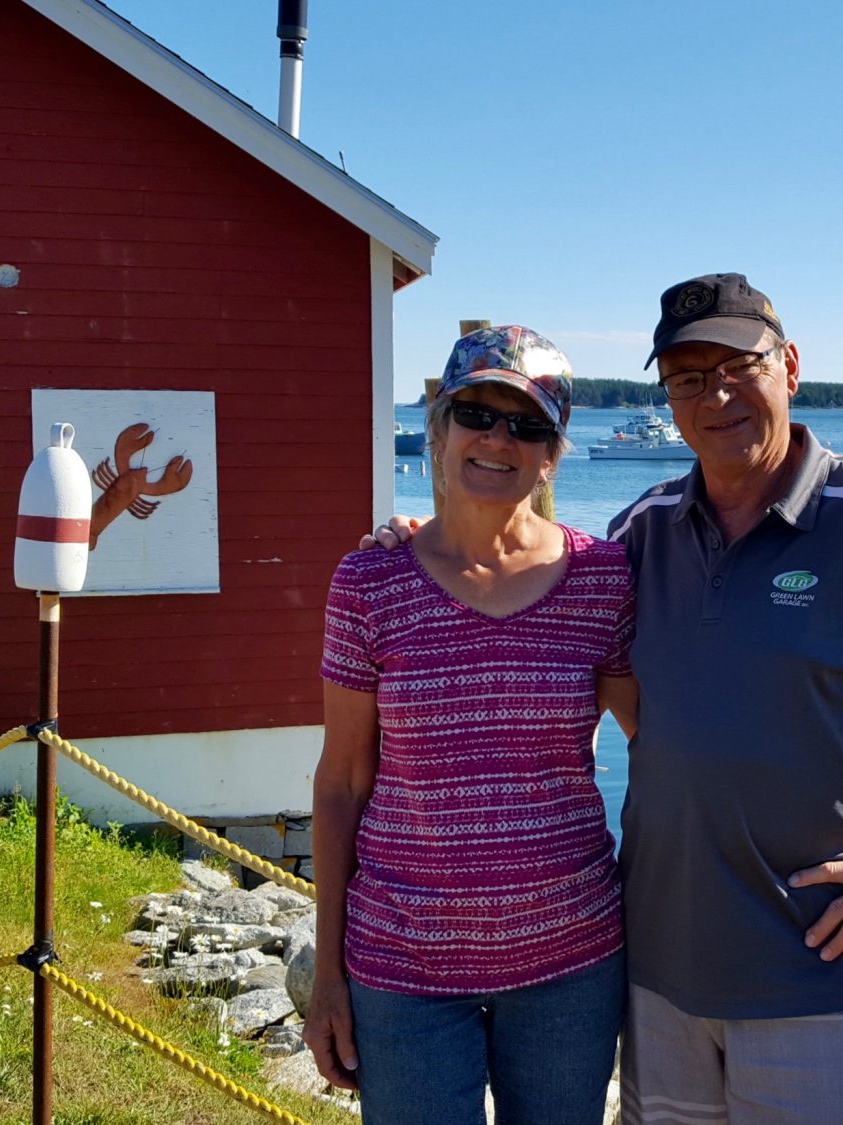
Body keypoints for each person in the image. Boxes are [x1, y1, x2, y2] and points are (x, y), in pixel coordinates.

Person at [372, 274, 843, 1124]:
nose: (716, 395)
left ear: (789, 366)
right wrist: (427, 538)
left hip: (818, 978)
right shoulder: (644, 532)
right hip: (658, 978)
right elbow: (533, 578)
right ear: (668, 398)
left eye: (737, 365)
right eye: (687, 377)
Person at [305, 325, 637, 1125]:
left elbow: (664, 744)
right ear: (440, 427)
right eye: (478, 413)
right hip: (402, 964)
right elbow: (343, 781)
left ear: (553, 454)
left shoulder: (603, 579)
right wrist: (327, 977)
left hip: (570, 960)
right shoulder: (369, 581)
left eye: (527, 424)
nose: (498, 438)